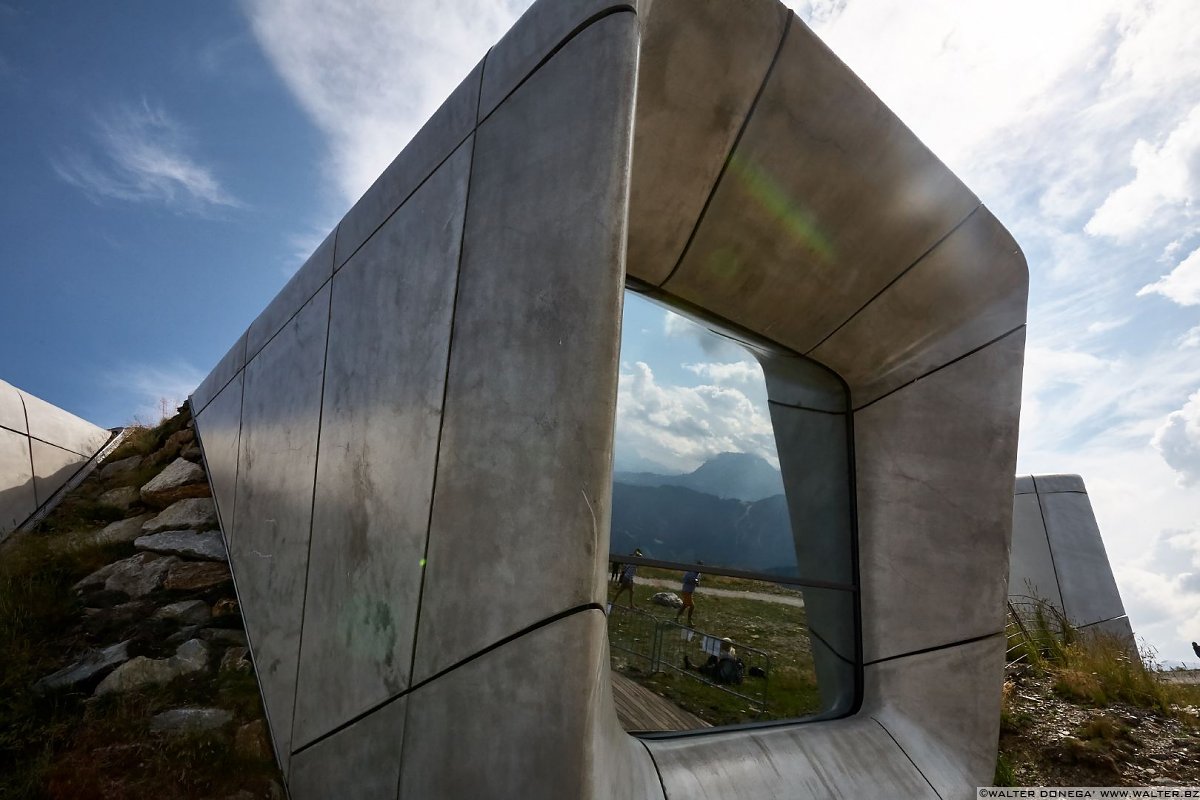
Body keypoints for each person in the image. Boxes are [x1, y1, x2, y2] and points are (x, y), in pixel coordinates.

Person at [675, 562, 702, 627]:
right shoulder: (690, 572)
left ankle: (676, 618)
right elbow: (684, 579)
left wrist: (697, 582)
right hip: (686, 591)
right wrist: (693, 580)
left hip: (690, 592)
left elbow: (698, 583)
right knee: (692, 606)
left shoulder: (699, 574)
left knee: (684, 605)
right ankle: (689, 621)